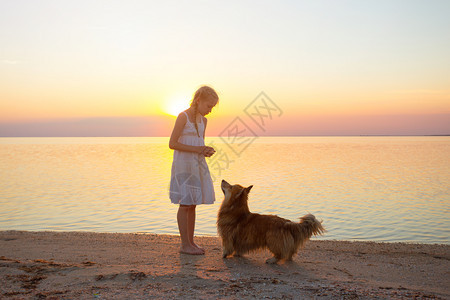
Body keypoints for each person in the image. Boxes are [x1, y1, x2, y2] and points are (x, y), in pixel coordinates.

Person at [169, 86, 218, 255]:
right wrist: (198, 150)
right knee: (185, 204)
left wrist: (205, 150)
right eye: (208, 106)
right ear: (198, 100)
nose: (210, 110)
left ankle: (191, 242)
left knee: (193, 204)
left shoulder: (204, 121)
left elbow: (199, 144)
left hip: (197, 165)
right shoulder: (183, 117)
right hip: (183, 165)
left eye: (212, 107)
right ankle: (184, 245)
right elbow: (172, 144)